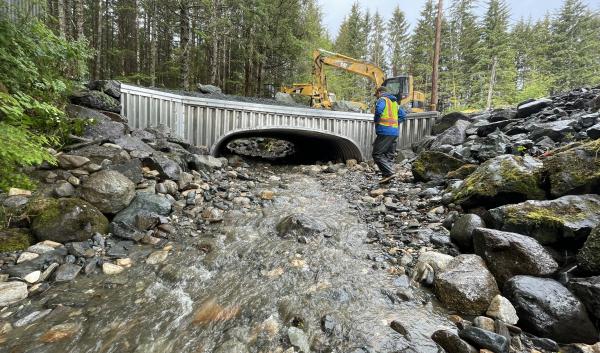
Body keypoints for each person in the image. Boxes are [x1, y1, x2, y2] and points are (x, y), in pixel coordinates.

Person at [372, 86, 406, 183]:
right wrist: (394, 123)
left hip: (384, 130)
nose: (376, 97)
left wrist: (376, 121)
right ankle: (386, 176)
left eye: (376, 95)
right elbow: (403, 115)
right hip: (394, 132)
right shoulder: (394, 102)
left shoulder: (382, 100)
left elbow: (378, 110)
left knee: (377, 154)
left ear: (379, 93)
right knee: (388, 155)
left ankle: (390, 173)